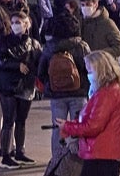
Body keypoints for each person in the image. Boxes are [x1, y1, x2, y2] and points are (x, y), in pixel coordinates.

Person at [0, 10, 41, 167]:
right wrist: (16, 65)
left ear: (27, 24)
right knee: (8, 120)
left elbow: (39, 64)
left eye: (18, 22)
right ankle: (6, 156)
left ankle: (20, 152)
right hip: (7, 85)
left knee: (21, 120)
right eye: (13, 23)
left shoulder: (34, 44)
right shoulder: (4, 41)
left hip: (26, 86)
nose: (15, 25)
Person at [39, 12, 92, 155]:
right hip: (79, 92)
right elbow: (89, 69)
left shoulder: (50, 47)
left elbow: (41, 71)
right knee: (79, 127)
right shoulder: (82, 46)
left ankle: (57, 158)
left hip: (57, 94)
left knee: (57, 128)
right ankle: (79, 157)